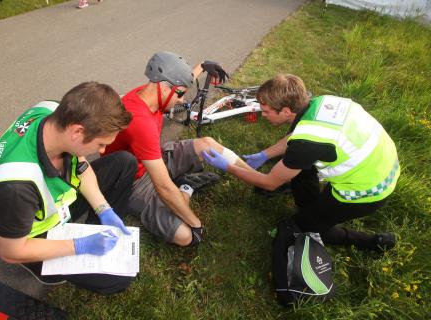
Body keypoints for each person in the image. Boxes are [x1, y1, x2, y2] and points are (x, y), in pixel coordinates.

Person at [202, 73, 399, 250]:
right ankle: (309, 203)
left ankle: (374, 242)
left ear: (286, 112)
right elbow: (297, 138)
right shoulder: (321, 103)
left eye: (267, 111)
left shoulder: (307, 143)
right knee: (299, 167)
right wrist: (264, 155)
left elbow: (270, 182)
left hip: (369, 190)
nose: (263, 116)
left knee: (305, 228)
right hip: (383, 163)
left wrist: (229, 167)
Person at [0, 82, 138, 293]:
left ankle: (98, 235)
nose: (103, 149)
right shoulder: (15, 188)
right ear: (77, 131)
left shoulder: (55, 113)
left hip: (51, 203)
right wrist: (79, 246)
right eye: (101, 144)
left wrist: (104, 209)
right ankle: (42, 265)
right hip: (30, 231)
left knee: (124, 163)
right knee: (115, 280)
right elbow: (10, 251)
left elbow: (80, 165)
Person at [102, 51, 253, 247]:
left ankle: (254, 177)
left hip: (152, 156)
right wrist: (196, 224)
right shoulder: (140, 123)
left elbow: (175, 80)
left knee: (207, 143)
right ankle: (186, 186)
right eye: (181, 93)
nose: (182, 100)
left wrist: (203, 65)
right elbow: (163, 186)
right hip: (134, 182)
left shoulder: (149, 91)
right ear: (165, 89)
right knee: (185, 235)